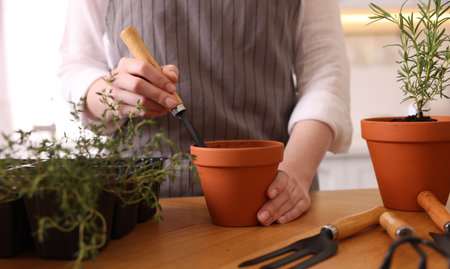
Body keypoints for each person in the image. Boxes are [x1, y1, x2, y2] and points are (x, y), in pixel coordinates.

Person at [58, 0, 352, 226]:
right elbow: (76, 67)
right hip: (142, 210)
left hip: (271, 201)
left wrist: (295, 174)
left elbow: (326, 74)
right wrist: (113, 93)